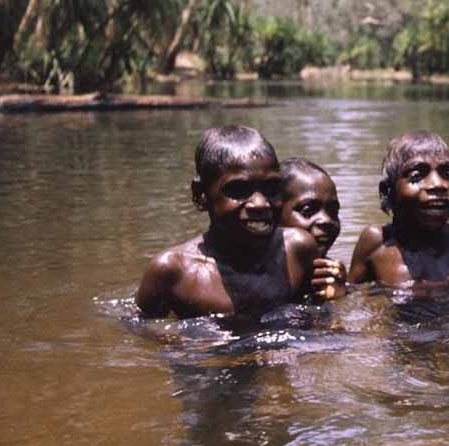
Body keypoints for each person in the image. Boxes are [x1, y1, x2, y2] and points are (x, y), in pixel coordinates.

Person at [136, 126, 318, 318]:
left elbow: (320, 317)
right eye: (239, 189)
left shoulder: (298, 250)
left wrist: (337, 294)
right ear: (200, 196)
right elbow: (143, 332)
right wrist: (179, 342)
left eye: (271, 188)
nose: (260, 204)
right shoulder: (172, 271)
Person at [347, 131, 449, 290]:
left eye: (448, 174)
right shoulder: (375, 242)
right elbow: (350, 295)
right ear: (387, 191)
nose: (438, 184)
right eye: (417, 175)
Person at [279, 157, 346, 300]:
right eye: (308, 210)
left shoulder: (330, 275)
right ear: (275, 214)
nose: (327, 220)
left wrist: (339, 298)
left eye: (333, 211)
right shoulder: (259, 280)